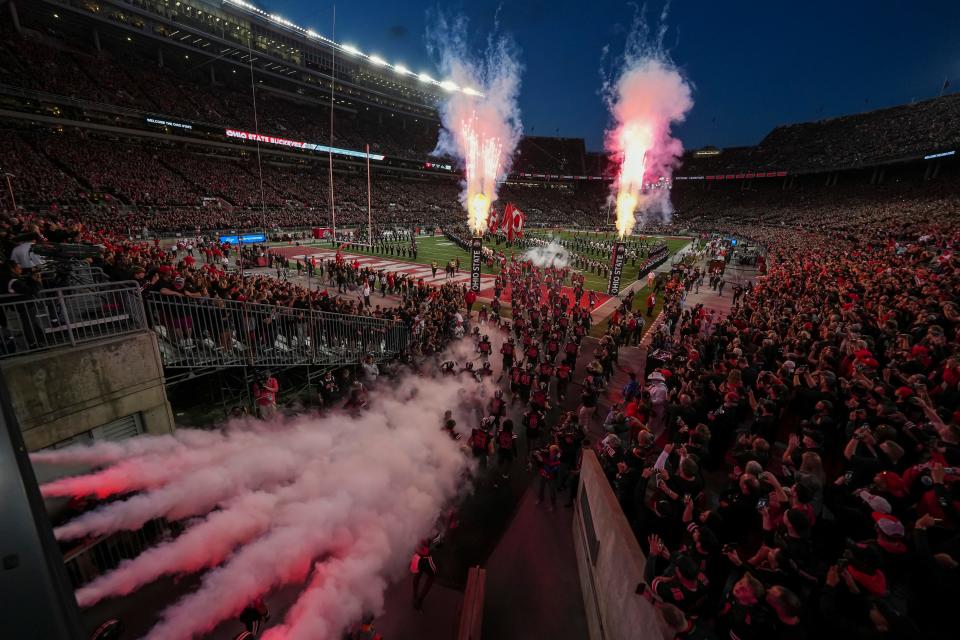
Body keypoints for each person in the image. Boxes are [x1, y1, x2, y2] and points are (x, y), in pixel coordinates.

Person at [410, 539, 437, 610]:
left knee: (418, 572)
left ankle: (415, 596)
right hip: (426, 556)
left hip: (417, 553)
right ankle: (419, 600)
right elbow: (438, 542)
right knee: (431, 576)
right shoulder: (431, 529)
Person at [535, 444, 562, 510]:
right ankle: (540, 498)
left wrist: (543, 460)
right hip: (544, 475)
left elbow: (551, 468)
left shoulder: (557, 461)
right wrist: (538, 454)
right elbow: (541, 460)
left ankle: (553, 505)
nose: (549, 451)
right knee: (541, 488)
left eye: (550, 450)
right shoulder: (547, 455)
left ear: (554, 453)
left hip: (551, 478)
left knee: (552, 492)